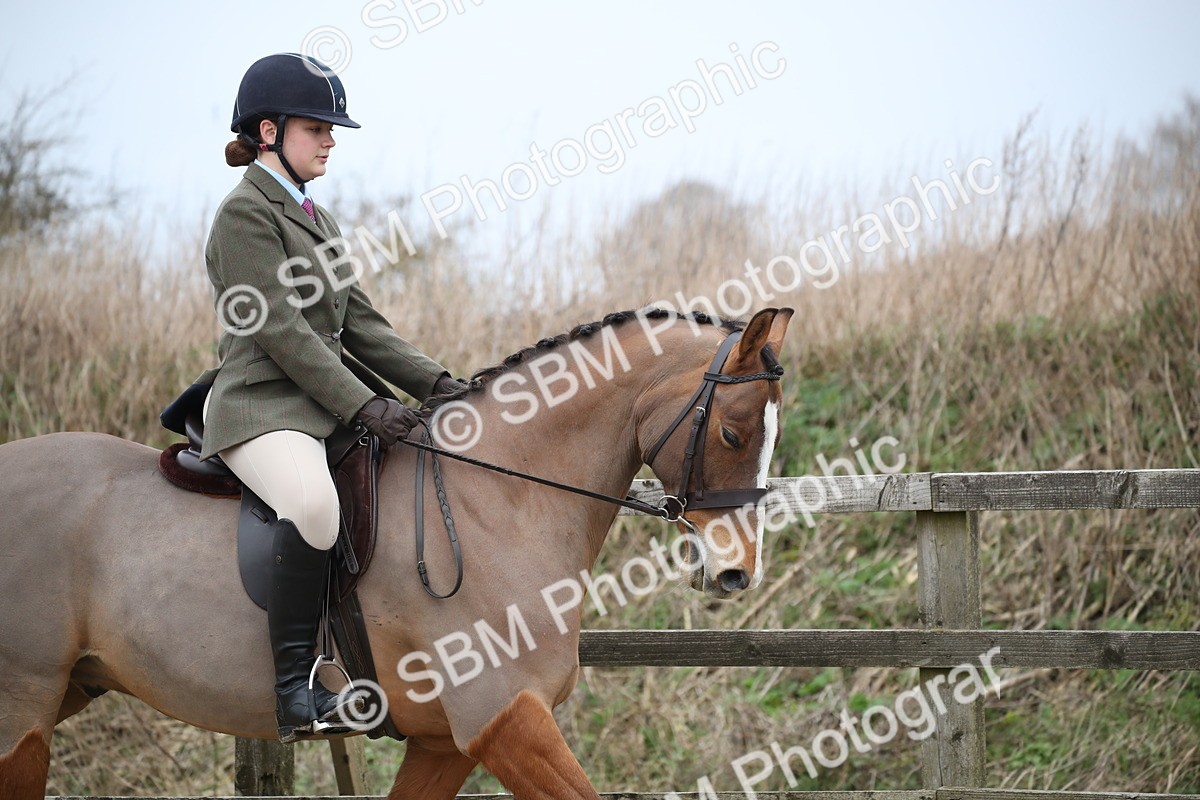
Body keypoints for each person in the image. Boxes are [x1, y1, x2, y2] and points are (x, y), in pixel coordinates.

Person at [186, 52, 458, 742]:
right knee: (312, 505)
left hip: (316, 405)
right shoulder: (244, 216)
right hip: (261, 407)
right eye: (318, 127)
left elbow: (360, 323)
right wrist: (365, 405)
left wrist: (443, 385)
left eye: (332, 129)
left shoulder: (318, 217)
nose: (332, 140)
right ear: (270, 131)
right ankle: (293, 694)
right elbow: (282, 331)